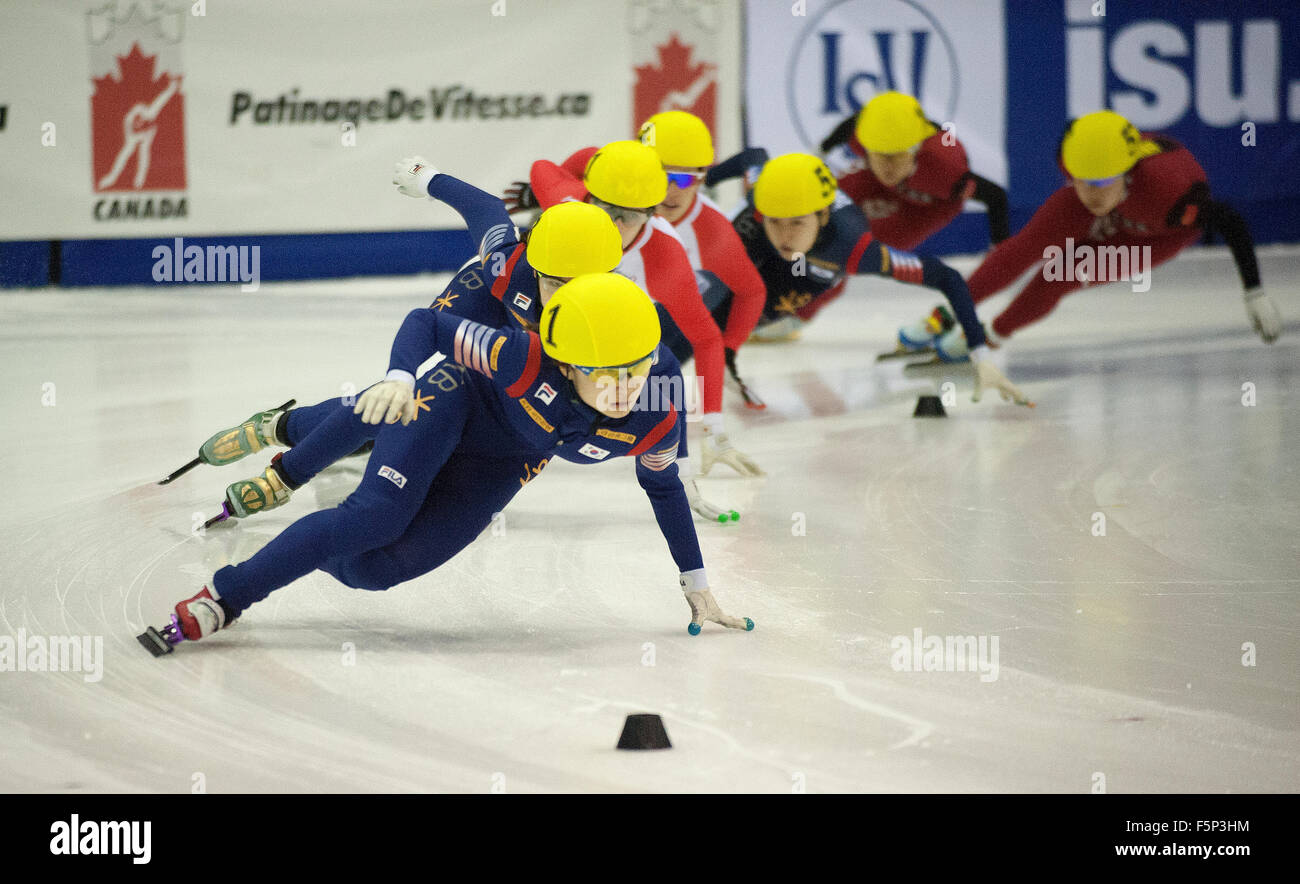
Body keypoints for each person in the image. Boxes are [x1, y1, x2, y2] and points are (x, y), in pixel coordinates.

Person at [165, 272, 755, 648]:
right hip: (452, 401)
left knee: (375, 570)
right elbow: (427, 323)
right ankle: (227, 594)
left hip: (507, 459)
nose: (627, 387)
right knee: (376, 517)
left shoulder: (659, 406)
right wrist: (400, 376)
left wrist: (697, 582)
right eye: (607, 373)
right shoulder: (520, 357)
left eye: (637, 367)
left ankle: (308, 540)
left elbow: (664, 487)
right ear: (568, 364)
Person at [913, 110, 1282, 359]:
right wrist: (1090, 185)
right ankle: (944, 315)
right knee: (1025, 247)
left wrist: (1254, 290)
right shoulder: (1079, 168)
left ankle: (991, 336)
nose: (1092, 193)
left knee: (1058, 276)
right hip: (1125, 204)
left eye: (1102, 182)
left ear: (1127, 171)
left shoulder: (1168, 195)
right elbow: (1020, 248)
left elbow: (1229, 219)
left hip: (1152, 235)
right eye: (1081, 179)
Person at [709, 149, 1031, 405]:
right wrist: (702, 180)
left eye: (795, 223)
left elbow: (945, 277)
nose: (784, 234)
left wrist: (980, 352)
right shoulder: (764, 192)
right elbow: (754, 157)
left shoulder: (856, 250)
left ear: (822, 216)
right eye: (775, 221)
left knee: (745, 312)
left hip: (815, 268)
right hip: (770, 243)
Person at [521, 140, 764, 478]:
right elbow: (543, 168)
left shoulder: (664, 261)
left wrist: (714, 427)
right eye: (608, 211)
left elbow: (706, 339)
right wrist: (594, 163)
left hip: (601, 320)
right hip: (549, 299)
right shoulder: (569, 205)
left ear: (652, 214)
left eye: (630, 217)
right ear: (590, 199)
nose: (616, 227)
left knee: (655, 364)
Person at [634, 111, 768, 408]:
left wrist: (729, 348)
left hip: (671, 299)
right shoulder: (613, 192)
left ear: (703, 178)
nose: (670, 191)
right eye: (662, 177)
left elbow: (752, 291)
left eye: (683, 179)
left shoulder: (713, 234)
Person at [818, 91, 1009, 255]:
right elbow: (854, 122)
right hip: (880, 178)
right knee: (824, 204)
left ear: (917, 150)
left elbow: (996, 197)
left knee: (882, 243)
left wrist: (999, 254)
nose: (887, 167)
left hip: (929, 202)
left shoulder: (946, 170)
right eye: (880, 157)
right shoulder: (864, 135)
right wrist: (821, 150)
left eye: (896, 157)